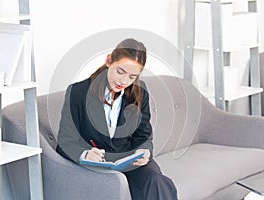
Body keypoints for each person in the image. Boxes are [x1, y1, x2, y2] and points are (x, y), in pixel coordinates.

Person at [56, 38, 178, 200]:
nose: (124, 81)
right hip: (99, 166)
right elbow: (65, 142)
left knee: (156, 182)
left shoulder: (140, 92)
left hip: (130, 161)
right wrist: (84, 154)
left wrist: (144, 151)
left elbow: (144, 136)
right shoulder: (77, 93)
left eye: (132, 77)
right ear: (109, 61)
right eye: (120, 72)